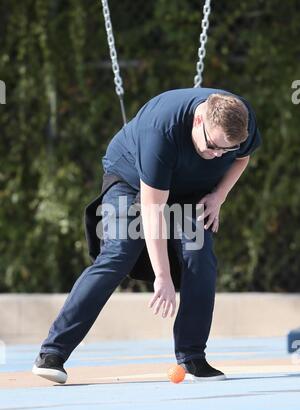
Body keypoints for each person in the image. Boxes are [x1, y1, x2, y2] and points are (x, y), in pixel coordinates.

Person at [32, 87, 261, 384]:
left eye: (224, 151)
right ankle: (53, 352)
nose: (216, 155)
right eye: (212, 146)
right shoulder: (161, 132)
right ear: (198, 120)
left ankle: (192, 357)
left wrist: (219, 195)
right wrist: (162, 276)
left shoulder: (239, 121)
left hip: (189, 190)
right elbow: (152, 211)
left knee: (199, 256)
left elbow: (243, 157)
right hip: (130, 182)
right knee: (119, 252)